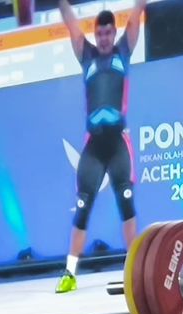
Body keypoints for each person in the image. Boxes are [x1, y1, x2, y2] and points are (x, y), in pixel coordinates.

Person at [55, 0, 148, 294]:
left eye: (109, 33)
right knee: (82, 208)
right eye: (100, 34)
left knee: (126, 204)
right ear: (95, 35)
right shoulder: (87, 56)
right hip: (94, 146)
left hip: (118, 144)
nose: (105, 39)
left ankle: (134, 271)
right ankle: (70, 273)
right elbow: (70, 21)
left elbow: (137, 12)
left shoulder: (124, 51)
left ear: (114, 33)